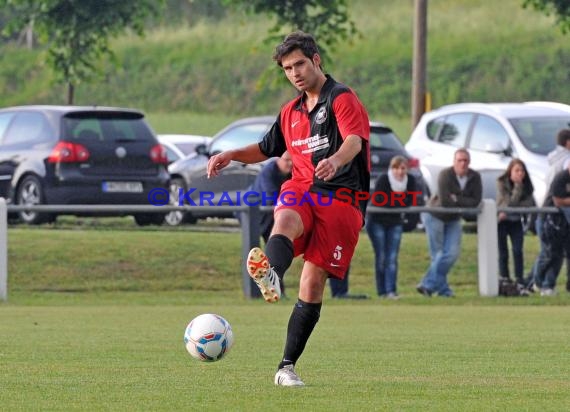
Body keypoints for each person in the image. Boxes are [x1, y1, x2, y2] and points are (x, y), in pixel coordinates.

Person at [206, 31, 370, 386]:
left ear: (316, 60)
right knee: (285, 218)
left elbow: (355, 140)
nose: (294, 73)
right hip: (303, 188)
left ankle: (285, 367)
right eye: (287, 68)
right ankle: (273, 274)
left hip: (342, 198)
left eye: (299, 64)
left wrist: (336, 160)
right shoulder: (290, 112)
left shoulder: (342, 98)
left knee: (312, 283)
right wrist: (232, 154)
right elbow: (266, 148)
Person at [248, 153, 367, 300]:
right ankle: (275, 285)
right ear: (277, 159)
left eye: (292, 161)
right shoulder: (269, 172)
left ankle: (276, 284)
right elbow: (271, 196)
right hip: (262, 217)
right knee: (276, 251)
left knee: (316, 254)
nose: (290, 164)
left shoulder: (295, 173)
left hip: (288, 214)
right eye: (286, 160)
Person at [416, 148, 482, 297]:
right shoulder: (445, 174)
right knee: (438, 255)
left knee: (451, 254)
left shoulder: (475, 177)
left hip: (454, 218)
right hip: (436, 215)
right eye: (459, 160)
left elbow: (476, 201)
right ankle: (443, 290)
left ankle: (427, 284)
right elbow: (445, 202)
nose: (463, 163)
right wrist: (462, 201)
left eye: (465, 160)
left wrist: (456, 199)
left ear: (469, 162)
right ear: (454, 162)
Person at [366, 155, 420, 299]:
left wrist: (395, 202)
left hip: (395, 222)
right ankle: (382, 291)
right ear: (392, 168)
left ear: (407, 169)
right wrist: (400, 201)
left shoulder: (411, 181)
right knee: (381, 256)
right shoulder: (384, 179)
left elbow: (412, 201)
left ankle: (391, 291)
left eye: (403, 168)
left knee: (392, 257)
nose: (400, 172)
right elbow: (379, 200)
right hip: (377, 222)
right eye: (396, 168)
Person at [532, 158, 570, 296]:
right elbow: (558, 201)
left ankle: (548, 286)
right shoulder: (561, 177)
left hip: (562, 223)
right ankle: (536, 282)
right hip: (546, 220)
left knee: (558, 255)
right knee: (548, 253)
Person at [496, 159, 535, 288]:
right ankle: (504, 278)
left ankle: (519, 279)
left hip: (516, 221)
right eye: (516, 170)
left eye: (522, 170)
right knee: (503, 252)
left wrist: (519, 190)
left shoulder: (527, 185)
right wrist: (517, 187)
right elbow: (509, 203)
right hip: (502, 221)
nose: (520, 173)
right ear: (510, 171)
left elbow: (529, 204)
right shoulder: (502, 183)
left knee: (518, 250)